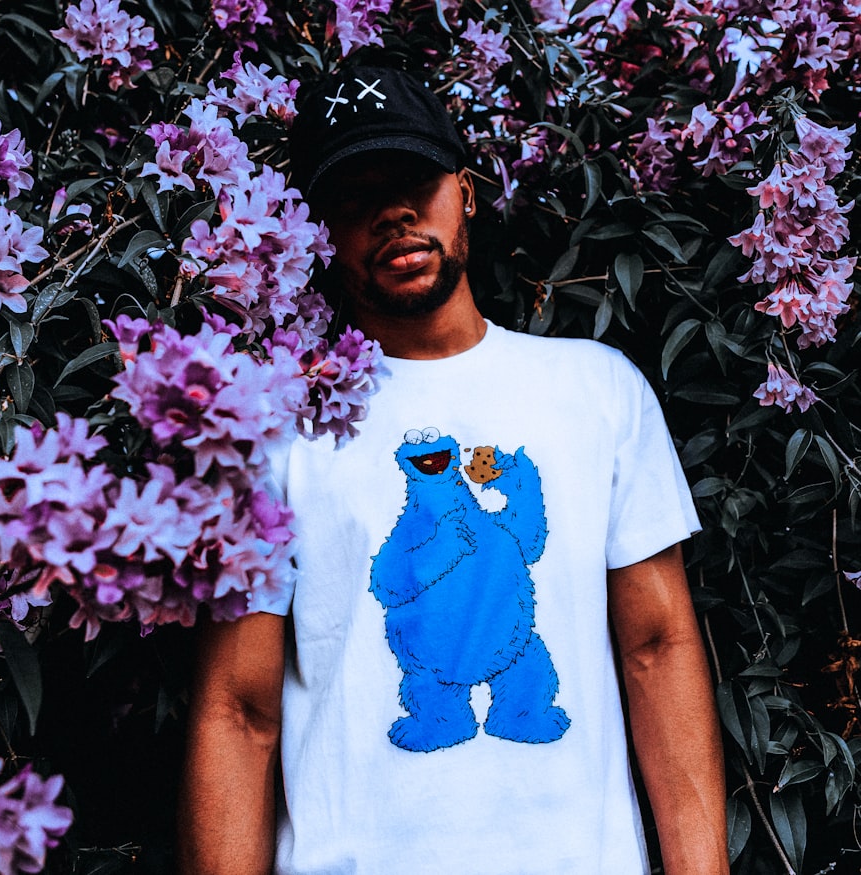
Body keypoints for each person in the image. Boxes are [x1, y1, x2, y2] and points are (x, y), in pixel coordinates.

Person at [179, 65, 728, 875]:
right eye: (355, 198)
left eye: (413, 181)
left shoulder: (598, 390)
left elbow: (657, 644)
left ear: (466, 191)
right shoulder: (276, 431)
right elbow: (239, 707)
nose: (392, 214)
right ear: (319, 230)